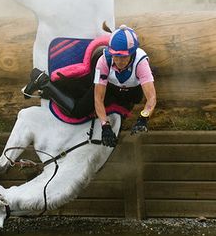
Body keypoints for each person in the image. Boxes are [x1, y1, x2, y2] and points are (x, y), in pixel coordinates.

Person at [23, 25, 156, 148]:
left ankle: (50, 91)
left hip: (126, 91)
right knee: (78, 110)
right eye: (115, 56)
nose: (119, 61)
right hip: (108, 85)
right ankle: (44, 82)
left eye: (123, 57)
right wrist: (105, 127)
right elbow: (98, 99)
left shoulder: (141, 63)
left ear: (132, 53)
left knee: (136, 97)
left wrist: (143, 119)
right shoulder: (104, 61)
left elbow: (151, 98)